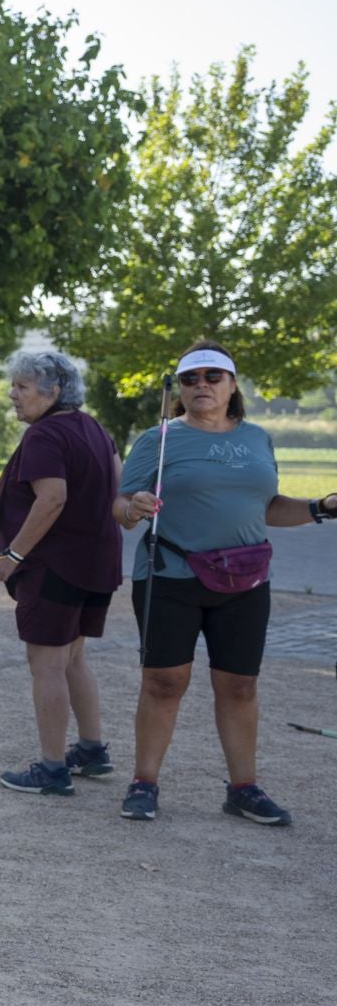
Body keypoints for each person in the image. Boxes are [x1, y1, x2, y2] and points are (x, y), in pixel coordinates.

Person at [114, 341, 337, 825]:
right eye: (191, 379)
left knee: (239, 685)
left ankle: (243, 788)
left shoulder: (258, 439)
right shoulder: (160, 439)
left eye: (213, 376)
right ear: (179, 389)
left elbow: (269, 508)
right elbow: (120, 503)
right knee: (164, 682)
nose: (202, 386)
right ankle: (144, 782)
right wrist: (132, 508)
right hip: (170, 576)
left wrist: (321, 507)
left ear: (233, 384)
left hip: (245, 580)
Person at [0, 351, 123, 797]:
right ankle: (90, 749)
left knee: (46, 663)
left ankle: (51, 768)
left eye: (23, 387)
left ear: (54, 391)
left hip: (56, 566)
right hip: (97, 564)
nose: (13, 395)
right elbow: (117, 487)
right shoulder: (96, 430)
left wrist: (13, 555)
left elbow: (52, 499)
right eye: (15, 386)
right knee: (73, 658)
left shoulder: (45, 435)